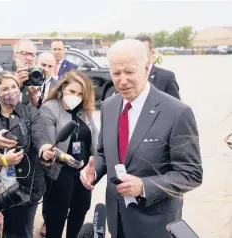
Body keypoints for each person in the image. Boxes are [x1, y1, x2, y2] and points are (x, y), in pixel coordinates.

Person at [80, 39, 203, 238]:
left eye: (129, 72)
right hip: (117, 219)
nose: (122, 80)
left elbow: (191, 174)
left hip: (155, 224)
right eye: (116, 73)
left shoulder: (177, 112)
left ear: (147, 67)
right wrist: (95, 170)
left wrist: (144, 187)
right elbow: (104, 152)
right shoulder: (109, 106)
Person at [0, 71, 56, 238]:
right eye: (5, 88)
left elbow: (39, 135)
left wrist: (44, 149)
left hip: (25, 187)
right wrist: (0, 159)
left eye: (14, 87)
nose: (11, 92)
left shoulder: (30, 112)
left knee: (21, 232)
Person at [39, 70, 99, 238]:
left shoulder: (84, 110)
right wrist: (64, 157)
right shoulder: (49, 108)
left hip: (82, 171)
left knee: (81, 209)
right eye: (72, 91)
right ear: (63, 88)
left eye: (80, 94)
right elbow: (50, 144)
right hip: (60, 171)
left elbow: (95, 135)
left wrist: (97, 162)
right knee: (57, 215)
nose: (76, 96)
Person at [136, 35, 181, 100]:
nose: (140, 55)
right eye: (136, 52)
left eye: (143, 51)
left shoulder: (166, 77)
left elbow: (176, 107)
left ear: (152, 52)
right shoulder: (124, 77)